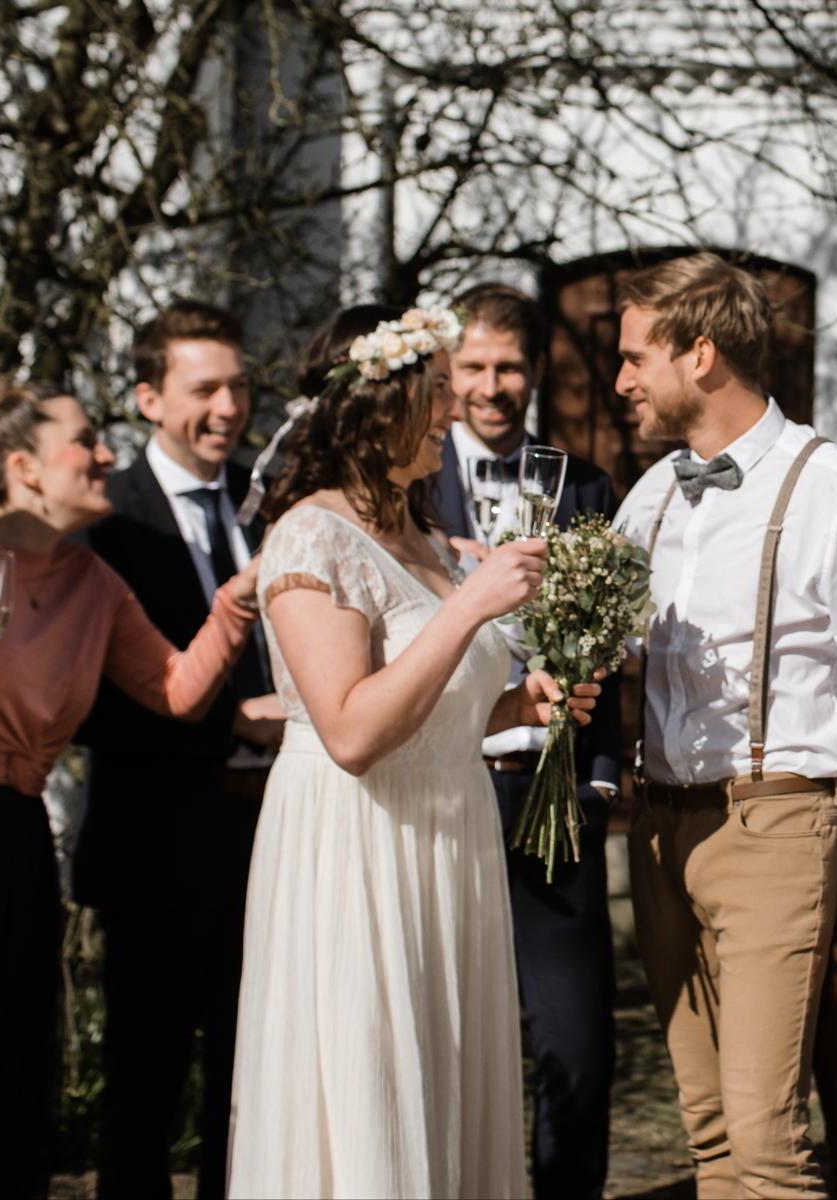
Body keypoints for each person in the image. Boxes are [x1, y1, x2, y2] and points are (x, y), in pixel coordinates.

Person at [611, 253, 837, 1198]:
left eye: (635, 356)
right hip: (658, 832)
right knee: (711, 1139)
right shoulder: (651, 499)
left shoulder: (833, 490)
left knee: (767, 1150)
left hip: (778, 829)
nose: (620, 381)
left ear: (701, 353)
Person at [224, 305, 598, 1197]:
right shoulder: (310, 537)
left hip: (450, 839)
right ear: (375, 403)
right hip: (359, 846)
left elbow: (430, 705)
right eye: (434, 390)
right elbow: (352, 731)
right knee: (374, 1090)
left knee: (447, 1089)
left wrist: (516, 703)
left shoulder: (425, 538)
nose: (451, 410)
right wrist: (474, 607)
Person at [0, 376, 258, 1198]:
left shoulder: (92, 583)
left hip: (20, 848)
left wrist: (239, 598)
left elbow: (175, 690)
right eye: (85, 440)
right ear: (24, 466)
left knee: (16, 1071)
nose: (106, 454)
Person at [72, 300, 283, 1200]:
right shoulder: (105, 522)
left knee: (256, 1087)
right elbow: (86, 704)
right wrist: (227, 721)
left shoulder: (269, 500)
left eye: (238, 387)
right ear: (148, 398)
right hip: (157, 843)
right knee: (147, 1090)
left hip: (271, 836)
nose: (228, 408)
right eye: (205, 390)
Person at [425, 282, 622, 1199]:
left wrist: (605, 778)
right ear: (448, 372)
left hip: (554, 795)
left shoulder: (586, 486)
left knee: (576, 1045)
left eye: (509, 366)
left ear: (536, 372)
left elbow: (618, 643)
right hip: (439, 789)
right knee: (450, 1042)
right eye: (474, 366)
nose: (493, 385)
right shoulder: (409, 486)